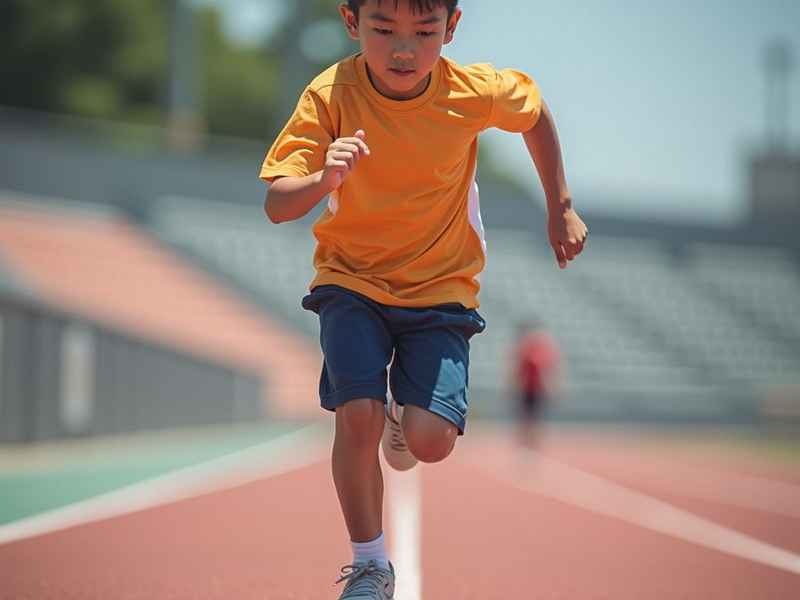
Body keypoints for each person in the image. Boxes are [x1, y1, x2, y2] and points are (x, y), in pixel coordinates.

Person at [260, 1, 588, 597]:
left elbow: (535, 113)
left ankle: (401, 419)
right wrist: (321, 179)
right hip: (351, 280)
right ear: (352, 22)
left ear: (452, 27)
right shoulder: (331, 92)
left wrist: (559, 204)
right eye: (384, 30)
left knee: (431, 442)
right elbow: (278, 201)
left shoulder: (473, 91)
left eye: (424, 32)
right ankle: (370, 565)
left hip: (440, 289)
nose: (404, 50)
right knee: (353, 415)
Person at [512, 319, 561, 449]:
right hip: (528, 388)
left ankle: (532, 441)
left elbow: (546, 369)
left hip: (535, 388)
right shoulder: (527, 349)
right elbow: (521, 370)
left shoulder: (536, 349)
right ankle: (527, 441)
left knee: (534, 416)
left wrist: (550, 386)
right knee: (528, 416)